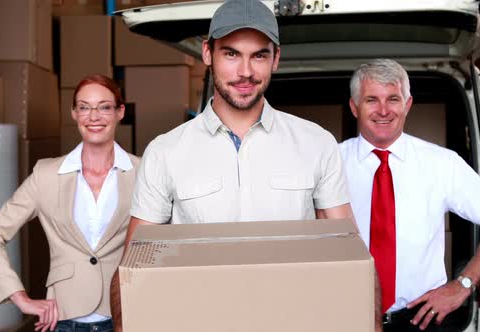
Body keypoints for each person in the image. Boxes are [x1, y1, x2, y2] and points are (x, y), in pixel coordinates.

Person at [110, 0, 360, 329]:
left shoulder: (317, 144)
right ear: (207, 53)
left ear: (276, 59)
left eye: (259, 55)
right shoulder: (165, 152)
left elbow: (351, 259)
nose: (245, 72)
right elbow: (133, 271)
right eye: (231, 54)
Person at [340, 59, 480, 331]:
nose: (383, 110)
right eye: (372, 99)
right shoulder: (330, 164)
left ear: (407, 105)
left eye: (393, 99)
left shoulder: (442, 164)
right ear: (354, 106)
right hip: (344, 317)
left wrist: (463, 284)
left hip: (422, 321)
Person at [0, 74, 139, 332]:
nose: (93, 117)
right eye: (84, 107)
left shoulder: (142, 172)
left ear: (120, 112)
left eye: (104, 107)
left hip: (127, 315)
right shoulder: (46, 175)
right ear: (74, 113)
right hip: (64, 319)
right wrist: (19, 297)